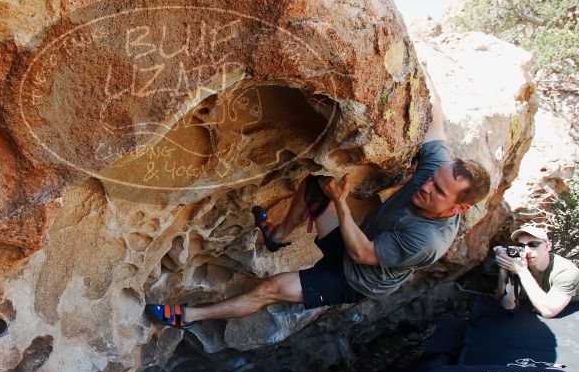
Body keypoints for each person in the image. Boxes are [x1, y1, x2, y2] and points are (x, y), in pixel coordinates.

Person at [145, 73, 491, 329]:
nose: (427, 185)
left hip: (353, 278)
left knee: (270, 288)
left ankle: (190, 315)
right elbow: (437, 126)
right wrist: (422, 74)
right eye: (432, 178)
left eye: (439, 191)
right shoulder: (439, 173)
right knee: (314, 186)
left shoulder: (428, 240)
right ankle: (278, 238)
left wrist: (341, 204)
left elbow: (362, 254)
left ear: (459, 207)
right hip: (355, 243)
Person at [494, 224, 579, 317]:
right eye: (521, 245)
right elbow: (508, 304)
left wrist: (523, 272)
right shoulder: (520, 263)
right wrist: (503, 268)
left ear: (548, 247)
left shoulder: (565, 271)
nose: (526, 251)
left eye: (533, 245)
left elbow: (548, 312)